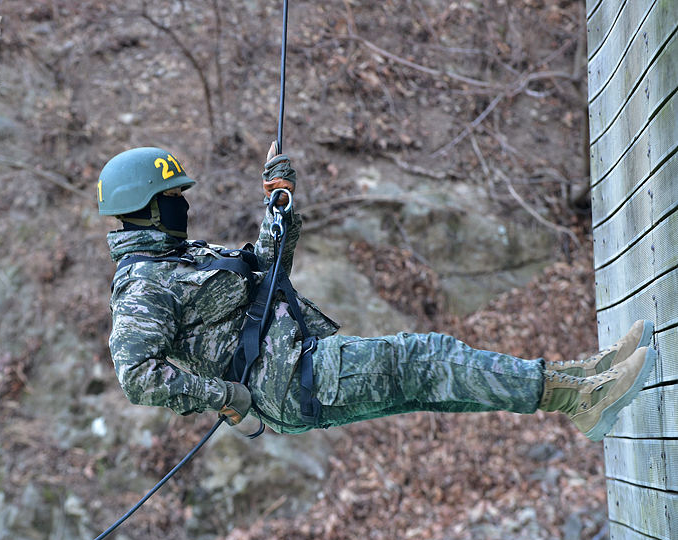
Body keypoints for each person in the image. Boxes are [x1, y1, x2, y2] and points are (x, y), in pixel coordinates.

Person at [99, 145, 657, 442]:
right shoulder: (144, 286)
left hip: (304, 368)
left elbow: (268, 275)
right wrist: (225, 397)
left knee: (434, 381)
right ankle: (576, 395)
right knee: (429, 357)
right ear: (145, 209)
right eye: (173, 196)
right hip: (292, 382)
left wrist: (280, 207)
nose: (183, 204)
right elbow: (138, 378)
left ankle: (582, 382)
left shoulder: (179, 257)